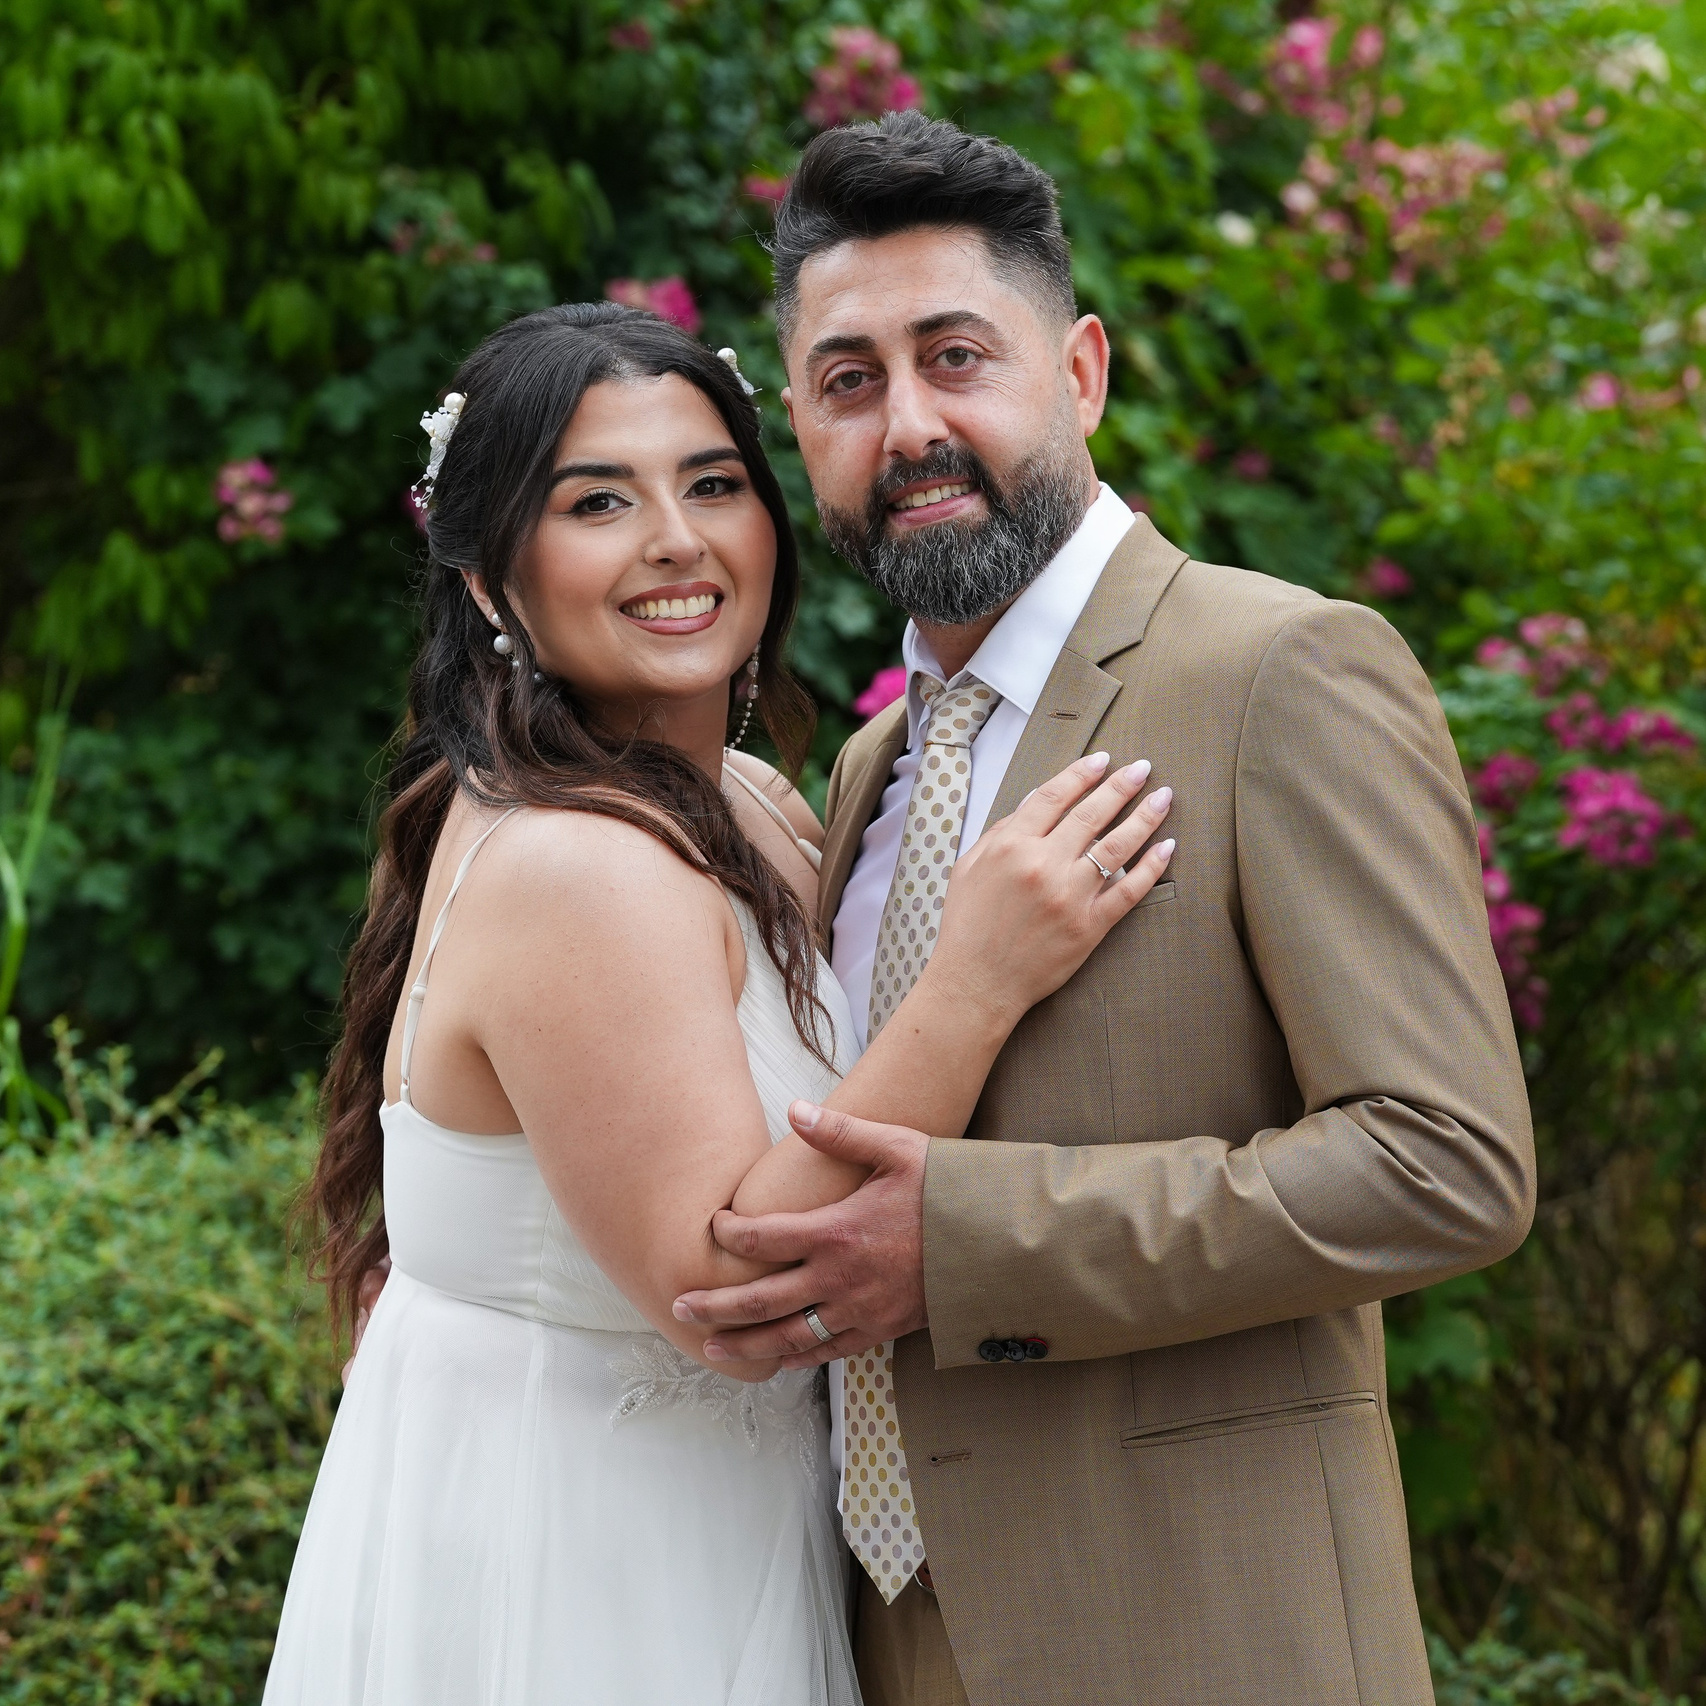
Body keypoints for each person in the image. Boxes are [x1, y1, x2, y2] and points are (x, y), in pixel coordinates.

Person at [669, 113, 1537, 1706]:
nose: (908, 423)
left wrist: (964, 1246)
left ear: (1078, 371)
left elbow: (1447, 1162)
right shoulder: (866, 768)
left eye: (955, 356)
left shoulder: (1278, 671)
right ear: (801, 427)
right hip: (878, 1641)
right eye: (849, 383)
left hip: (1203, 1633)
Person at [264, 302, 1179, 1705]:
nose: (675, 539)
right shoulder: (579, 862)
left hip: (714, 1524)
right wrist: (979, 977)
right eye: (596, 502)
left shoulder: (740, 801)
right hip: (587, 1573)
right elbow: (729, 1287)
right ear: (489, 581)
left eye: (710, 483)